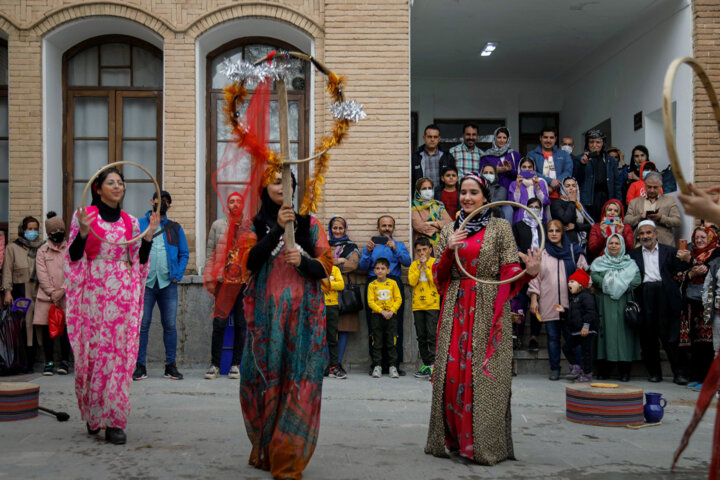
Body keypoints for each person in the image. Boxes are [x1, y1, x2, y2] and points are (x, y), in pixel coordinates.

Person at [425, 173, 541, 465]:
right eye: (463, 192)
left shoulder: (500, 227)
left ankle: (483, 445)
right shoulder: (451, 228)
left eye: (473, 192)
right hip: (456, 307)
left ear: (485, 197)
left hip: (490, 307)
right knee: (451, 377)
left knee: (487, 378)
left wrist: (530, 272)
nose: (466, 197)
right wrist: (450, 250)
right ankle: (452, 439)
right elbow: (439, 275)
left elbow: (509, 270)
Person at [241, 170, 332, 479]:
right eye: (276, 181)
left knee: (299, 380)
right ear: (265, 187)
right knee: (258, 381)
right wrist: (275, 231)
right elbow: (248, 263)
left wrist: (303, 262)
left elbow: (327, 268)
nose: (283, 187)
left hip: (304, 320)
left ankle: (289, 455)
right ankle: (266, 447)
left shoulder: (310, 224)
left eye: (288, 182)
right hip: (265, 322)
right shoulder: (253, 224)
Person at [65, 167, 158, 445]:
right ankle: (94, 416)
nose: (117, 187)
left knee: (119, 357)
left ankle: (115, 420)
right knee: (95, 355)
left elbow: (138, 260)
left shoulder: (131, 222)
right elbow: (73, 257)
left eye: (120, 182)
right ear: (98, 188)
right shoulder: (85, 217)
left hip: (123, 295)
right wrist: (82, 233)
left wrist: (149, 236)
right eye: (111, 182)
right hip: (93, 294)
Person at [133, 190, 188, 381]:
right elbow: (132, 250)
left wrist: (177, 275)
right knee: (142, 325)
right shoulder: (139, 224)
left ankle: (170, 366)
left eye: (165, 202)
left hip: (167, 284)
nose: (161, 204)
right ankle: (140, 366)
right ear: (151, 201)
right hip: (145, 284)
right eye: (158, 201)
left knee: (170, 326)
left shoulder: (174, 228)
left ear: (169, 206)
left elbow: (184, 254)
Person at [629, 220, 690, 384]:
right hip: (645, 295)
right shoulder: (632, 255)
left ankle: (679, 374)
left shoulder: (670, 251)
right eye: (641, 234)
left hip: (666, 296)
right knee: (648, 338)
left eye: (648, 232)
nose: (645, 236)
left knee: (671, 338)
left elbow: (681, 273)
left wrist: (688, 259)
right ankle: (655, 373)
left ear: (656, 234)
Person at [528, 220, 587, 380]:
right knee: (553, 338)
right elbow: (535, 279)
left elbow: (584, 276)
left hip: (571, 305)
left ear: (563, 233)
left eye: (557, 230)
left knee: (572, 338)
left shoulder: (574, 251)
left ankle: (577, 368)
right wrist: (534, 300)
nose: (554, 233)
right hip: (549, 303)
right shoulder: (542, 254)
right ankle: (555, 369)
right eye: (550, 231)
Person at [359, 215, 411, 374]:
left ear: (393, 228)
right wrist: (367, 252)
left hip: (393, 285)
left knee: (396, 327)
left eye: (390, 226)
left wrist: (395, 248)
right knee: (374, 327)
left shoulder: (399, 245)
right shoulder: (370, 246)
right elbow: (362, 267)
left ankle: (394, 364)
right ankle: (376, 364)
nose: (387, 228)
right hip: (373, 285)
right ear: (378, 228)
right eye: (384, 226)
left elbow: (407, 262)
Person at [203, 192, 246, 380]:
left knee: (240, 323)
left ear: (243, 205)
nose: (235, 204)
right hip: (223, 282)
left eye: (238, 201)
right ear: (227, 205)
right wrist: (211, 275)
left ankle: (236, 365)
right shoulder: (218, 225)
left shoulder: (249, 226)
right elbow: (210, 252)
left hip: (242, 282)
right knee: (219, 323)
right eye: (231, 201)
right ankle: (215, 364)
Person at [590, 233, 642, 382]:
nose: (613, 246)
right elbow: (594, 277)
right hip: (605, 304)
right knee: (605, 335)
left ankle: (624, 372)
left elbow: (637, 279)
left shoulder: (630, 264)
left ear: (622, 246)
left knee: (624, 337)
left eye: (617, 243)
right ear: (606, 245)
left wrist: (620, 286)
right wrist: (610, 284)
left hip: (624, 303)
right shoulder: (599, 262)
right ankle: (604, 371)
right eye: (611, 243)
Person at [678, 227, 720, 391]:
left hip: (708, 303)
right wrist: (690, 272)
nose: (699, 240)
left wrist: (692, 263)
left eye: (703, 237)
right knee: (695, 342)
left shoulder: (716, 253)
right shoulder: (687, 251)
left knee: (708, 343)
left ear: (710, 238)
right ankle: (697, 377)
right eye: (696, 237)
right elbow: (677, 274)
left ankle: (707, 380)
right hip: (690, 301)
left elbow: (710, 269)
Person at [3, 216, 43, 372]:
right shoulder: (12, 248)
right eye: (29, 229)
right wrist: (7, 291)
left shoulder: (40, 247)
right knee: (23, 327)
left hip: (38, 291)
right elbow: (7, 271)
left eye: (35, 229)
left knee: (37, 325)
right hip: (20, 290)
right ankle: (23, 363)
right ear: (23, 230)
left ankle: (36, 361)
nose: (32, 232)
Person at [32, 212, 71, 375]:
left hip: (66, 295)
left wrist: (62, 290)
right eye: (54, 233)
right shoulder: (42, 251)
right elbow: (41, 273)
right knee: (48, 331)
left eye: (60, 232)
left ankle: (64, 362)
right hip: (46, 297)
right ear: (49, 234)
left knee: (65, 330)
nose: (58, 235)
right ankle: (48, 362)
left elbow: (73, 272)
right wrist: (52, 292)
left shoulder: (69, 249)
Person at [327, 216, 360, 378]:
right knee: (327, 328)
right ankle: (328, 363)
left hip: (346, 289)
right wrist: (340, 261)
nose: (338, 231)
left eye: (340, 228)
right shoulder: (324, 244)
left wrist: (332, 263)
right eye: (335, 228)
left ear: (345, 229)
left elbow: (353, 264)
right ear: (330, 229)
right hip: (327, 290)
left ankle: (337, 362)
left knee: (344, 327)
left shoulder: (351, 246)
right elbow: (319, 263)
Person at [511, 198, 545, 352]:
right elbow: (512, 246)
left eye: (537, 207)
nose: (534, 209)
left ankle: (534, 338)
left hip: (541, 271)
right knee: (522, 304)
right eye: (530, 207)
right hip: (523, 271)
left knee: (537, 305)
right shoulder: (518, 226)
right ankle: (517, 336)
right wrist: (523, 256)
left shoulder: (543, 227)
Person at [556, 269, 598, 382]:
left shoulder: (586, 296)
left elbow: (590, 312)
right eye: (569, 282)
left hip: (586, 331)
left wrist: (586, 326)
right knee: (566, 347)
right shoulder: (574, 299)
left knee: (586, 352)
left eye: (573, 282)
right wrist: (563, 311)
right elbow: (573, 315)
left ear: (581, 284)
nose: (569, 284)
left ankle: (587, 373)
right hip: (577, 331)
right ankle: (576, 366)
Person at [573, 129, 622, 221]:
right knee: (591, 227)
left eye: (598, 142)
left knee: (609, 226)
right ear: (587, 143)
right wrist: (582, 164)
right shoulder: (579, 159)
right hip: (588, 200)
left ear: (603, 143)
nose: (594, 145)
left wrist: (618, 203)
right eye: (591, 142)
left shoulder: (610, 160)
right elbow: (576, 179)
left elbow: (617, 184)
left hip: (607, 199)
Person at [408, 237, 439, 379]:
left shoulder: (434, 263)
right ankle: (426, 364)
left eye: (424, 250)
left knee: (432, 335)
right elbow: (412, 282)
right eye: (419, 250)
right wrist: (419, 266)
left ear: (430, 250)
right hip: (418, 306)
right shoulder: (414, 265)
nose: (421, 253)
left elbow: (434, 282)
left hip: (432, 304)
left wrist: (426, 267)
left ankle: (434, 365)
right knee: (421, 336)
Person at [367, 257, 402, 379]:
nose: (380, 271)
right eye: (377, 268)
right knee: (377, 341)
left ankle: (393, 366)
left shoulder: (393, 283)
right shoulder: (372, 285)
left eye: (383, 268)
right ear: (374, 270)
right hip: (377, 316)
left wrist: (391, 311)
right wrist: (381, 311)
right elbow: (370, 302)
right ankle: (377, 366)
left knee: (391, 341)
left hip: (391, 316)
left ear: (388, 270)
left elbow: (398, 299)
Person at [625, 171, 681, 247]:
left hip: (664, 244)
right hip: (640, 244)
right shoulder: (635, 202)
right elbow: (626, 221)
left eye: (655, 187)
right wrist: (640, 217)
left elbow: (677, 222)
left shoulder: (669, 200)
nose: (652, 190)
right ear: (644, 185)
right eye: (649, 187)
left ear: (661, 186)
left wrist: (661, 218)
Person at [527, 126, 573, 196]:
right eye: (545, 137)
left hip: (561, 194)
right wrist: (549, 182)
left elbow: (568, 171)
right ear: (540, 138)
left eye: (551, 138)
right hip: (538, 194)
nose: (548, 140)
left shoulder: (564, 154)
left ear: (555, 139)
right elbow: (530, 171)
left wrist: (555, 184)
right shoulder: (532, 154)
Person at [550, 177, 593, 248]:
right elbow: (565, 220)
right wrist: (572, 202)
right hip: (566, 242)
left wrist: (575, 226)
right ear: (563, 188)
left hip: (582, 242)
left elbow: (590, 225)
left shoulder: (580, 205)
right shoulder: (557, 203)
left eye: (574, 186)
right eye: (567, 186)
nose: (571, 188)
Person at [411, 124, 456, 192]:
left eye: (435, 137)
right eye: (429, 137)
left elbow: (453, 179)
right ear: (424, 138)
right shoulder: (416, 157)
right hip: (421, 198)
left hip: (441, 197)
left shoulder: (447, 157)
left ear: (439, 139)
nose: (432, 139)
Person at [411, 177, 452, 247]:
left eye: (430, 188)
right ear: (418, 191)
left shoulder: (438, 205)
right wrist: (440, 228)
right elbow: (419, 226)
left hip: (440, 245)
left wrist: (434, 223)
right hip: (422, 246)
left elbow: (449, 223)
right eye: (424, 189)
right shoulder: (414, 205)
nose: (427, 191)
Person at [508, 157, 550, 224]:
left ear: (533, 169)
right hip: (520, 219)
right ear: (520, 169)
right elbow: (514, 204)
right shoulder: (514, 184)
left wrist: (537, 187)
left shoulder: (541, 182)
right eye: (524, 167)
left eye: (530, 167)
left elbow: (545, 202)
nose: (527, 169)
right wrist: (518, 187)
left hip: (538, 218)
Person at [480, 126, 523, 191]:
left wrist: (510, 170)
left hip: (511, 190)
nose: (502, 140)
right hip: (493, 192)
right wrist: (494, 171)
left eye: (504, 138)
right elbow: (481, 175)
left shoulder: (514, 155)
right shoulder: (487, 156)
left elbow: (520, 175)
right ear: (495, 138)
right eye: (499, 137)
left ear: (508, 139)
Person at [321, 263, 345, 379]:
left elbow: (341, 285)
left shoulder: (335, 269)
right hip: (317, 305)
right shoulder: (316, 267)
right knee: (317, 337)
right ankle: (318, 367)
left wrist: (328, 284)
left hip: (332, 305)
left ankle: (333, 367)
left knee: (332, 337)